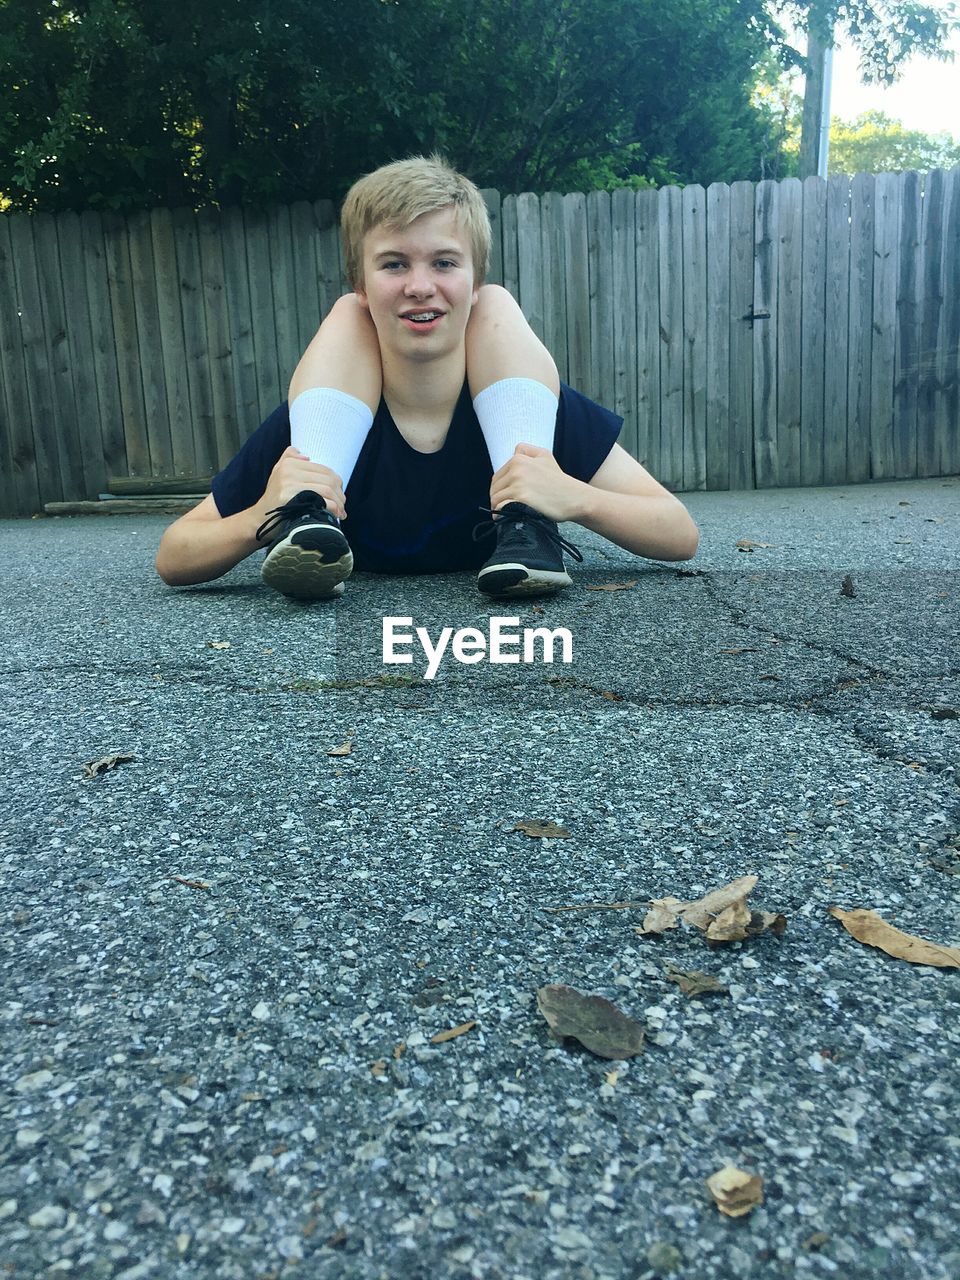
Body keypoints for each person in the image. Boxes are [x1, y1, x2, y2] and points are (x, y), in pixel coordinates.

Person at [155, 155, 698, 599]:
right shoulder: (321, 411)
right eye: (393, 264)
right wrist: (263, 515)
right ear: (362, 280)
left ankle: (527, 524)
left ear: (472, 278)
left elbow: (679, 533)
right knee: (343, 317)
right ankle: (307, 517)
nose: (420, 286)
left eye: (444, 263)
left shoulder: (533, 403)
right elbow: (176, 555)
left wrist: (575, 498)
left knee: (501, 308)